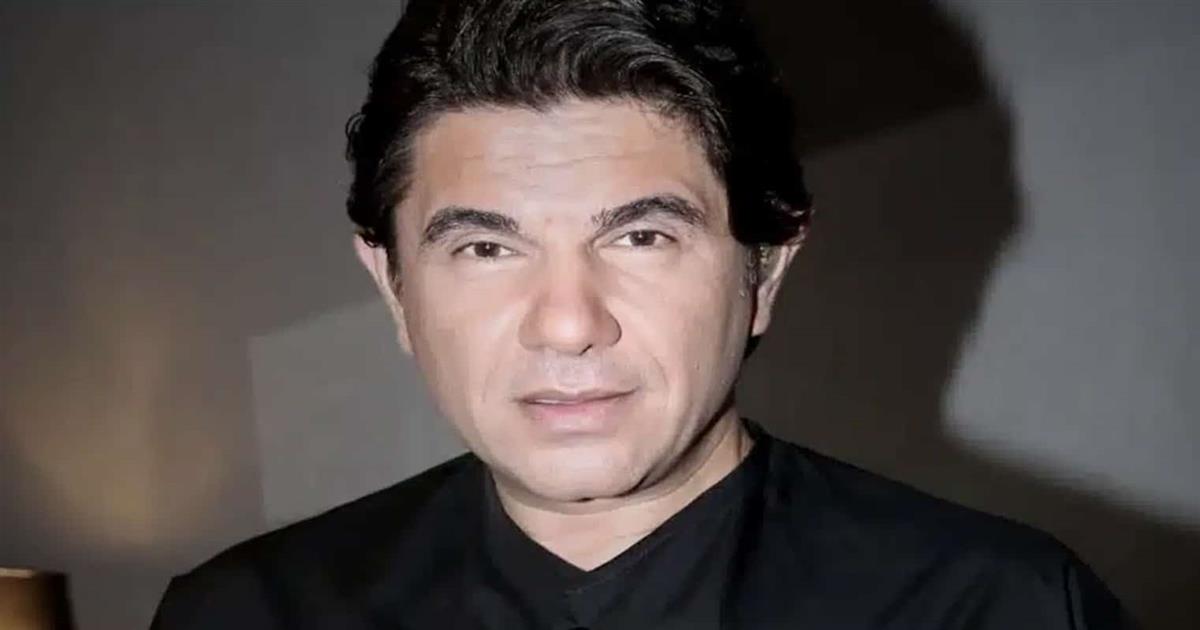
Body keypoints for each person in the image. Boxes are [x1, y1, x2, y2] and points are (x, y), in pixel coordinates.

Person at [151, 1, 1131, 628]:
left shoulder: (1000, 607)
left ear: (766, 268)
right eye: (486, 248)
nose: (566, 323)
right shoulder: (244, 615)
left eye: (641, 236)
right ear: (393, 286)